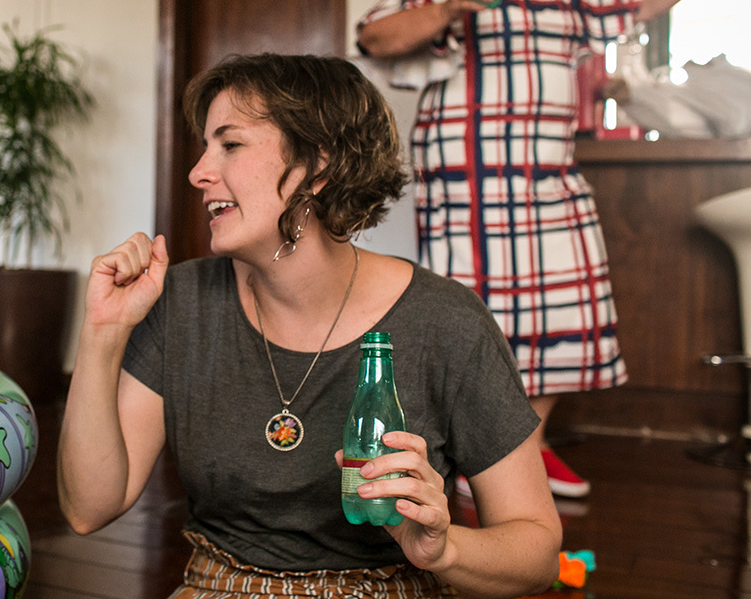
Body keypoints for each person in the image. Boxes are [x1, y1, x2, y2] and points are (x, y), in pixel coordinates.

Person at [58, 54, 561, 598]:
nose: (198, 172)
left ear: (319, 165)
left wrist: (445, 549)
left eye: (230, 144)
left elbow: (536, 551)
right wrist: (103, 332)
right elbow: (89, 509)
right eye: (206, 147)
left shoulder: (446, 323)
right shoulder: (181, 303)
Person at [356, 0, 751, 499]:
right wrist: (451, 9)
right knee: (477, 324)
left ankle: (518, 455)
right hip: (469, 182)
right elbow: (377, 36)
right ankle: (499, 468)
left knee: (568, 317)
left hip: (546, 177)